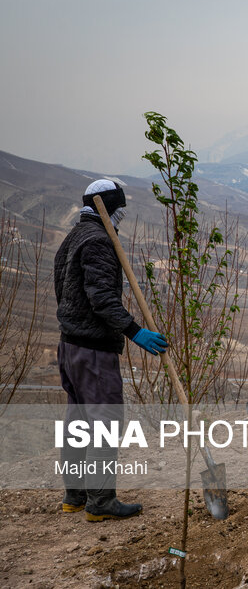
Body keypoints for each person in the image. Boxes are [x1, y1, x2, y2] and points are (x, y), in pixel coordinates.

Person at [54, 179, 168, 521]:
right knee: (105, 423)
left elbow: (63, 288)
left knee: (78, 421)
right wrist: (135, 332)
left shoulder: (74, 236)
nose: (122, 216)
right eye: (120, 209)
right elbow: (101, 299)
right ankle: (100, 501)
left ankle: (75, 494)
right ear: (110, 208)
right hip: (92, 351)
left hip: (69, 345)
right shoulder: (99, 241)